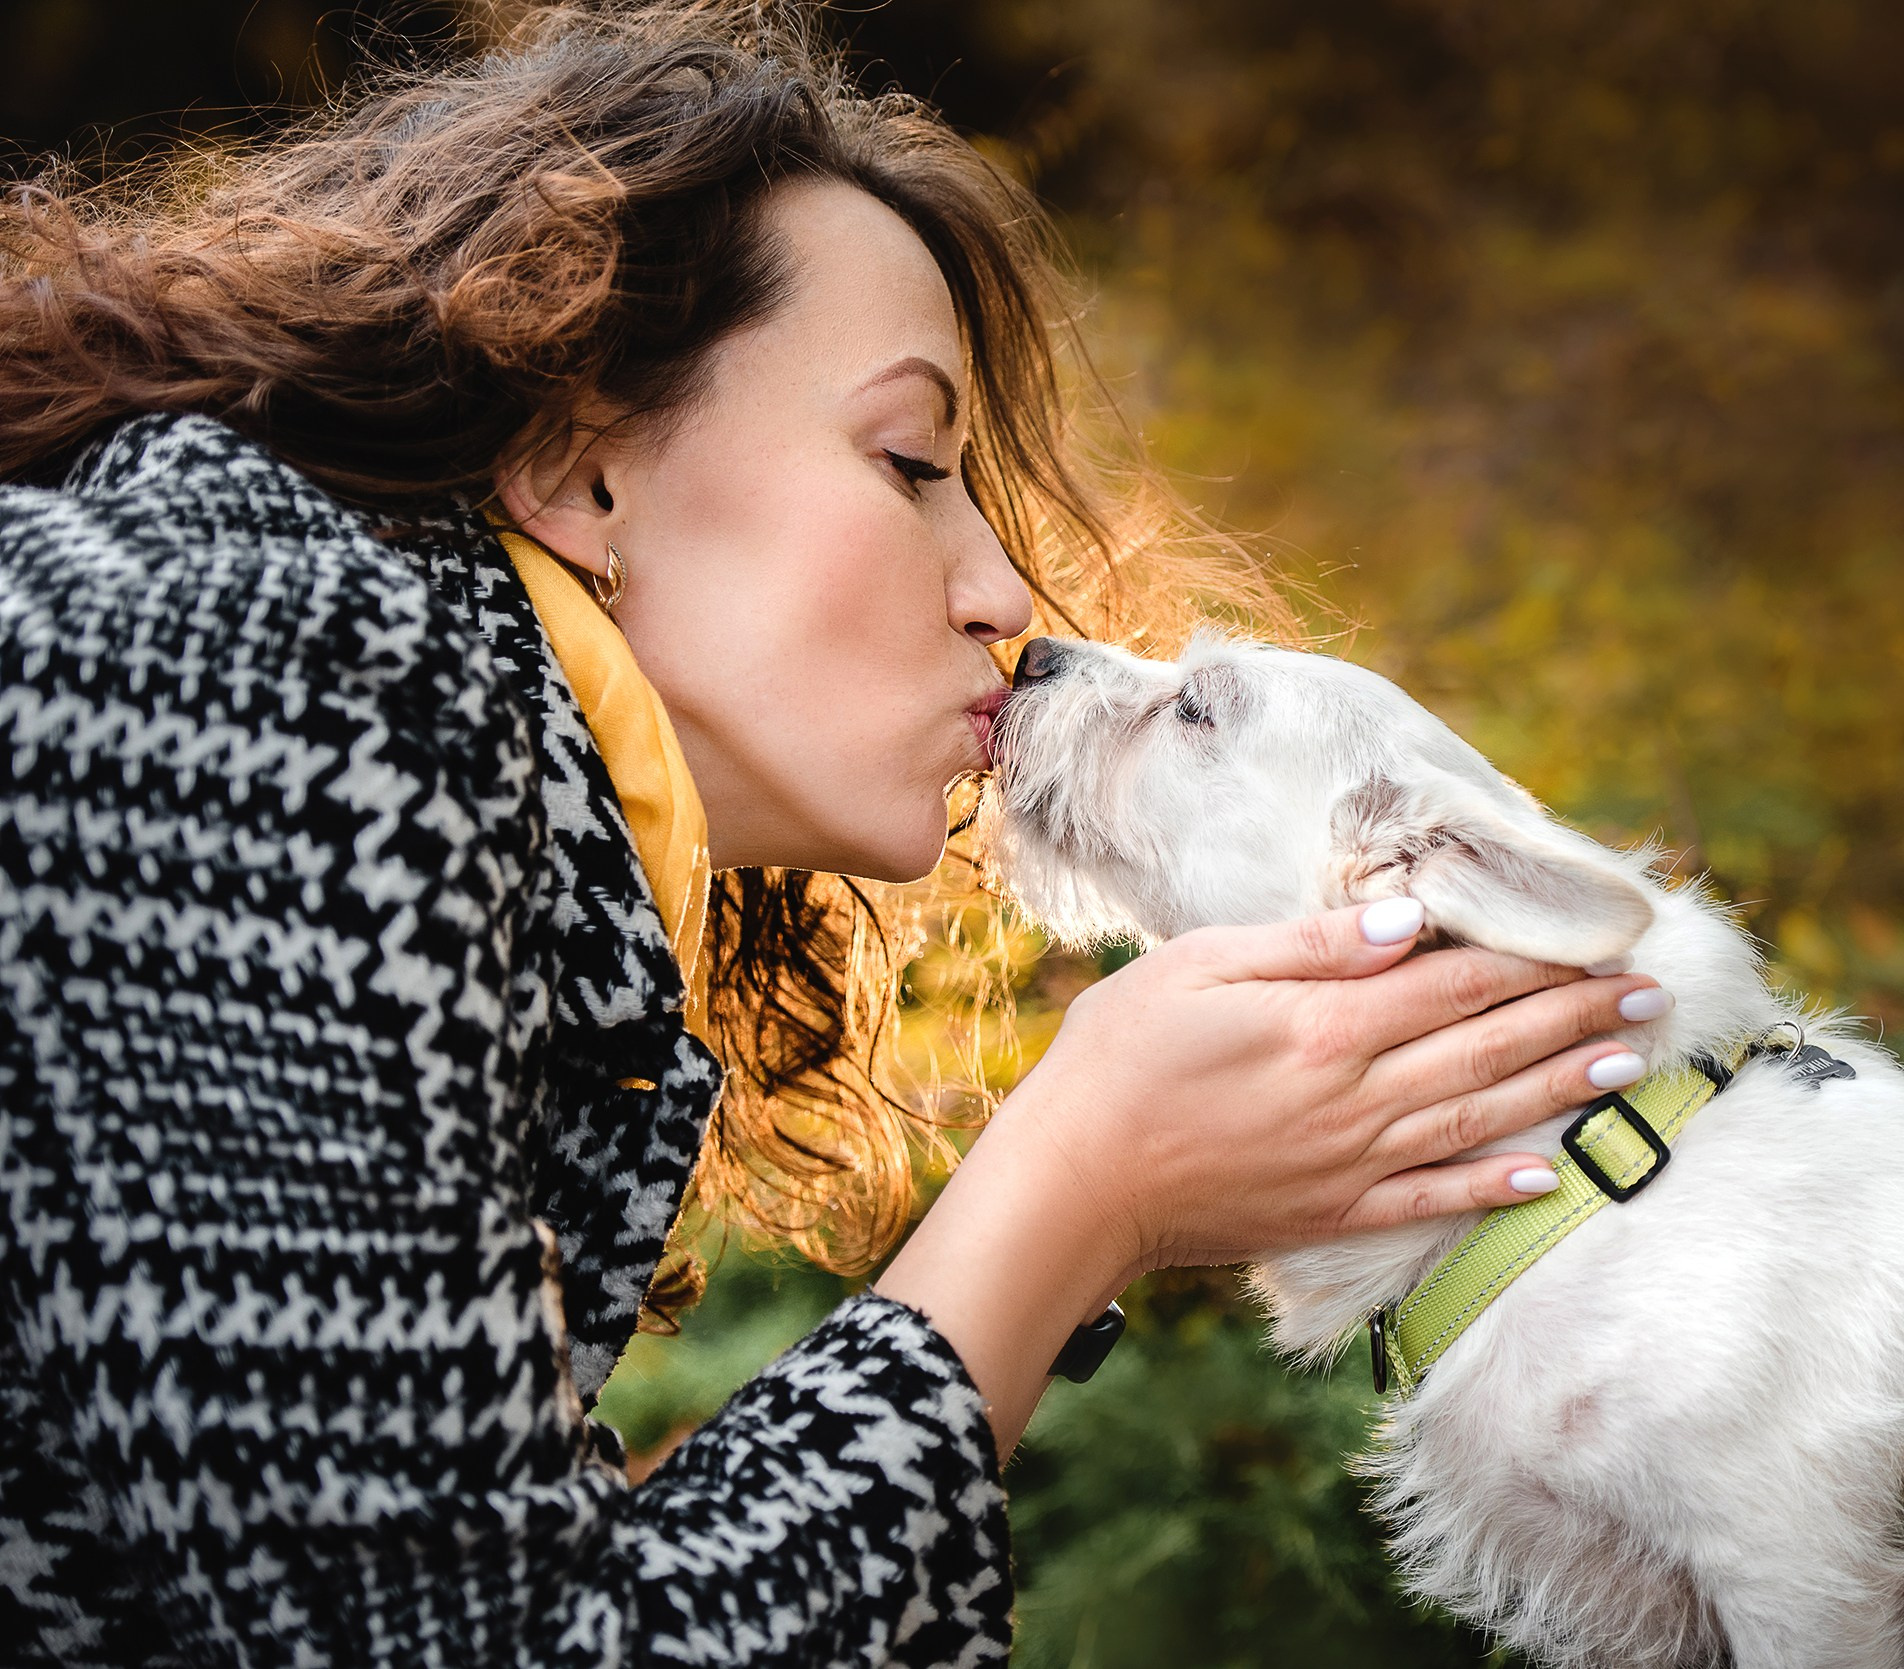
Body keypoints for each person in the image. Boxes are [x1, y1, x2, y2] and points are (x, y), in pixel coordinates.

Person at [0, 8, 1667, 1666]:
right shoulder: (252, 682)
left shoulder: (413, 773)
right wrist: (1076, 1184)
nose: (1003, 593)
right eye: (910, 458)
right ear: (582, 472)